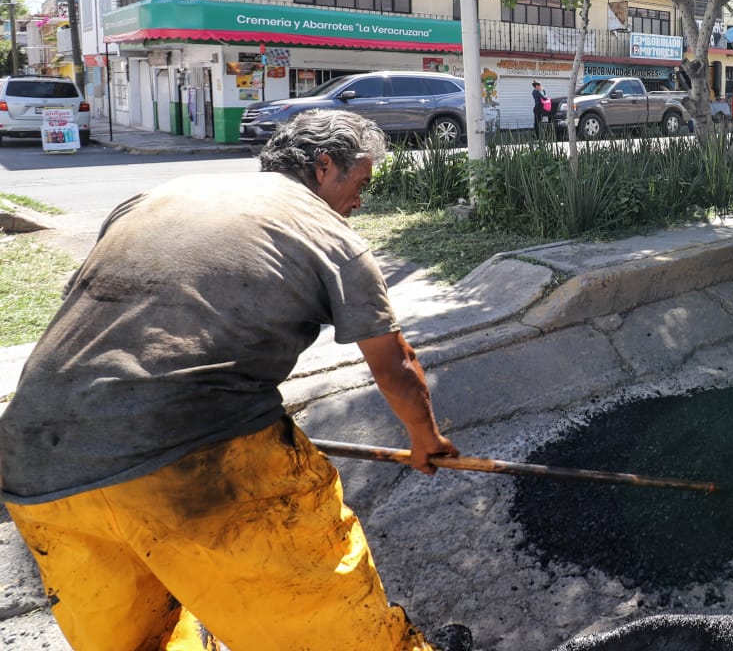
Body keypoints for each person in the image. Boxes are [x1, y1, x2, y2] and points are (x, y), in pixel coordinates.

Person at [0, 110, 469, 651]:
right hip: (196, 463)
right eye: (359, 182)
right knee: (335, 630)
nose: (360, 201)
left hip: (36, 466)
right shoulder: (329, 235)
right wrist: (425, 440)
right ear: (324, 167)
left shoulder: (157, 197)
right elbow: (396, 366)